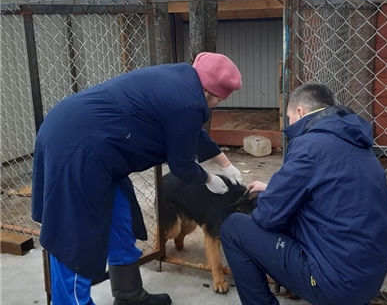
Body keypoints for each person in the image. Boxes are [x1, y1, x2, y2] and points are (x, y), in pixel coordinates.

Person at [31, 52, 243, 305]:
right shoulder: (188, 102)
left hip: (98, 148)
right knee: (74, 238)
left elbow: (189, 132)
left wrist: (225, 163)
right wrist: (209, 179)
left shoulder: (183, 79)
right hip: (76, 147)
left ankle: (128, 294)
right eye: (219, 100)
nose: (217, 105)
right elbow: (182, 165)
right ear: (212, 93)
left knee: (121, 217)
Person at [220, 83, 387, 305]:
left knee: (234, 228)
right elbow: (330, 191)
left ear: (300, 112)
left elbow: (268, 215)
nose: (290, 124)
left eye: (289, 117)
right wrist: (274, 189)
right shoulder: (358, 144)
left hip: (334, 284)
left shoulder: (308, 144)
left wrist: (272, 196)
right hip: (369, 279)